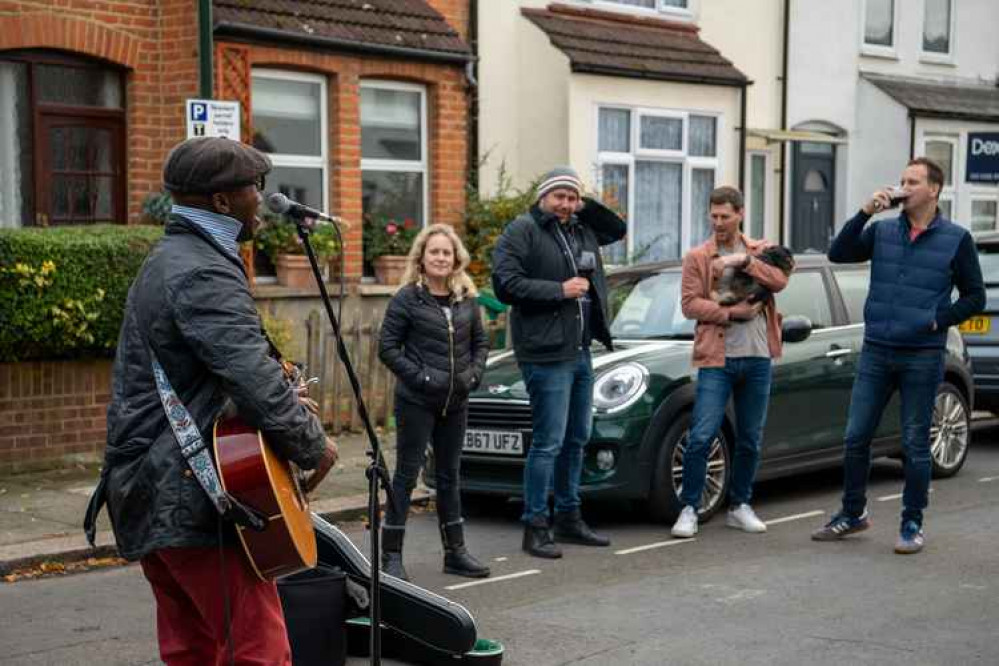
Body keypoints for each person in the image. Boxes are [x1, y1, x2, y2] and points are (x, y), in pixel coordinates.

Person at [84, 137, 338, 666]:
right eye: (255, 187)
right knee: (258, 652)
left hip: (151, 491)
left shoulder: (175, 258)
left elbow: (212, 372)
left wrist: (277, 390)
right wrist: (313, 444)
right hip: (191, 495)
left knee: (192, 650)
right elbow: (248, 374)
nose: (264, 200)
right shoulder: (202, 270)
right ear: (222, 202)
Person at [812, 157, 984, 554]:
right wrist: (864, 211)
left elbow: (975, 296)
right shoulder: (884, 230)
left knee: (914, 443)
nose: (902, 186)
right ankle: (852, 513)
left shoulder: (956, 238)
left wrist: (937, 320)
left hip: (922, 354)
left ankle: (911, 523)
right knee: (856, 438)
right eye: (901, 179)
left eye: (912, 181)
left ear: (934, 190)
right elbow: (838, 253)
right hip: (877, 350)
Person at [491, 166, 626, 559]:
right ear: (542, 197)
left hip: (581, 350)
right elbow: (505, 285)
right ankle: (535, 525)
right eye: (559, 196)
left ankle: (568, 517)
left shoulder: (581, 229)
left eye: (572, 197)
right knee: (548, 442)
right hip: (545, 353)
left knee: (577, 438)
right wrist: (559, 290)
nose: (565, 204)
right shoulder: (523, 230)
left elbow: (616, 229)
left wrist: (585, 205)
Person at [672, 186, 791, 539]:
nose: (719, 222)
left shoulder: (760, 250)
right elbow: (690, 304)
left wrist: (742, 261)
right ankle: (689, 509)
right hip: (716, 358)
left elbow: (780, 280)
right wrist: (730, 313)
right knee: (701, 435)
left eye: (725, 216)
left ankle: (740, 505)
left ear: (740, 213)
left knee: (750, 438)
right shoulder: (698, 256)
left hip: (756, 358)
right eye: (714, 216)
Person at [378, 223, 491, 581]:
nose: (441, 258)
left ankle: (455, 553)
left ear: (455, 258)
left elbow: (481, 345)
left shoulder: (466, 299)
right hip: (416, 401)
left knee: (449, 477)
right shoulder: (407, 298)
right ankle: (391, 556)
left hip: (456, 402)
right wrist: (423, 377)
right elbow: (388, 348)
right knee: (406, 476)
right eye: (434, 252)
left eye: (447, 252)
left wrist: (472, 376)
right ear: (422, 259)